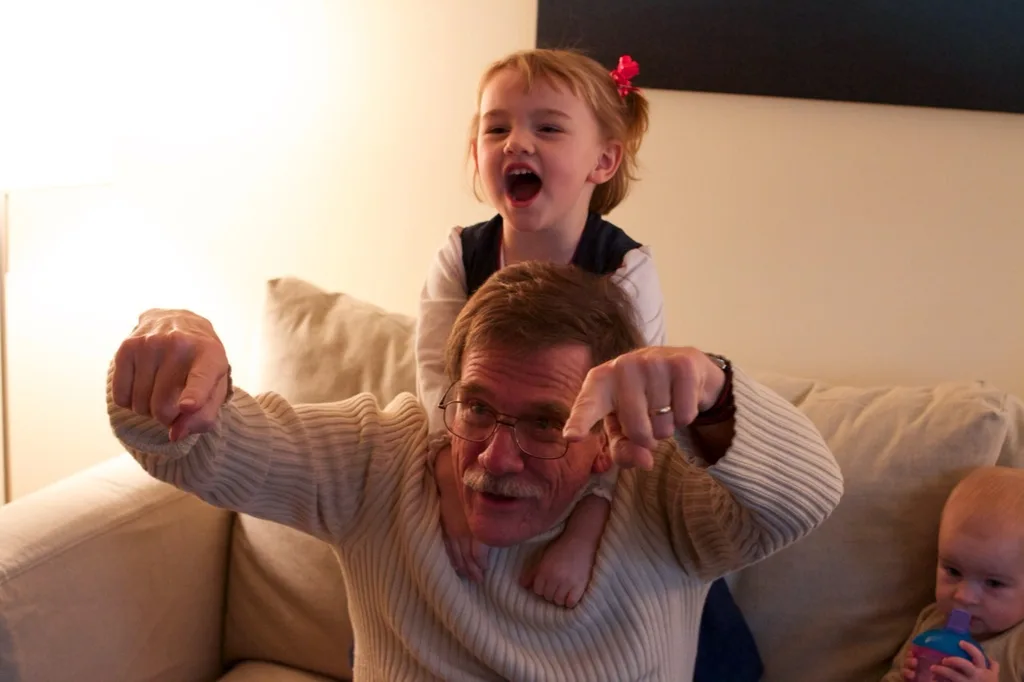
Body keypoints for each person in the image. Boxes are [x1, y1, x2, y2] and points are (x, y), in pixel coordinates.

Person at [108, 261, 843, 680]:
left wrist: (713, 388)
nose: (495, 457)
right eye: (479, 409)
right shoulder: (383, 459)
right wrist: (170, 354)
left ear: (605, 434)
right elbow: (205, 446)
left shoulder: (663, 494)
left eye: (546, 424)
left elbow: (808, 495)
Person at [417, 48, 665, 608]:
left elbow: (630, 419)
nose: (517, 142)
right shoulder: (460, 254)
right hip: (481, 458)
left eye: (547, 128)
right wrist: (448, 478)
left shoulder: (627, 269)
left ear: (602, 161)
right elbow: (434, 376)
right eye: (496, 127)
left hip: (580, 480)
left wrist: (586, 528)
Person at [882, 467, 1024, 682]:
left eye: (994, 583)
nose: (963, 596)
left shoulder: (1018, 646)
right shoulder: (932, 622)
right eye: (953, 571)